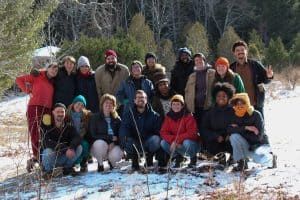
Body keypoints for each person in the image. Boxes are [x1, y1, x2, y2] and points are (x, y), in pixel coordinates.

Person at [15, 62, 58, 172]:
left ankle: (40, 158)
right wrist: (28, 90)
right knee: (35, 133)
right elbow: (19, 80)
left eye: (56, 70)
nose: (54, 71)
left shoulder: (52, 82)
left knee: (46, 133)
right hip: (34, 107)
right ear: (47, 69)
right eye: (52, 68)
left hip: (47, 110)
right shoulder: (37, 76)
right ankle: (38, 158)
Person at [228, 93, 276, 171]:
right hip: (246, 145)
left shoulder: (256, 114)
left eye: (243, 103)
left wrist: (239, 130)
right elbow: (229, 130)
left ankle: (271, 158)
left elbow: (258, 137)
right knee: (234, 136)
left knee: (262, 161)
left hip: (257, 145)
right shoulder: (234, 115)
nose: (240, 106)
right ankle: (241, 163)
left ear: (247, 102)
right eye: (237, 103)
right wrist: (247, 128)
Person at [119, 90, 165, 170]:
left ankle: (149, 157)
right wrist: (125, 139)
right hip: (134, 142)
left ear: (146, 100)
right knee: (128, 140)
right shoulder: (128, 114)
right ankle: (135, 160)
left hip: (148, 141)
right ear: (134, 100)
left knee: (156, 139)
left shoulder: (154, 115)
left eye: (143, 97)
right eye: (138, 97)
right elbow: (124, 128)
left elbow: (158, 131)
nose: (141, 99)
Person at [230, 40, 273, 117]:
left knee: (259, 128)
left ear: (246, 51)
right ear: (234, 53)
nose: (240, 52)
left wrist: (268, 77)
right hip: (238, 106)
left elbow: (266, 80)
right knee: (242, 128)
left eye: (242, 49)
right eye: (237, 50)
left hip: (256, 104)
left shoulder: (255, 65)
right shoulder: (231, 68)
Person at [40, 103, 82, 176]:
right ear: (53, 112)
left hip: (64, 156)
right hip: (53, 157)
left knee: (79, 148)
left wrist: (72, 148)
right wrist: (65, 149)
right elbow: (46, 142)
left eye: (62, 112)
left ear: (65, 113)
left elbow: (77, 137)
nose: (60, 114)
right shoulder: (47, 125)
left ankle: (67, 168)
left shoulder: (68, 125)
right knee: (47, 151)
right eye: (58, 112)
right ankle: (49, 171)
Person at [160, 94, 200, 167]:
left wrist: (177, 141)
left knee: (186, 142)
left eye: (178, 104)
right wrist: (173, 140)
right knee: (163, 142)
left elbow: (192, 133)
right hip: (176, 144)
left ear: (182, 105)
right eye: (173, 104)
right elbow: (163, 132)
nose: (175, 106)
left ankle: (193, 158)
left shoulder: (188, 116)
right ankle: (178, 157)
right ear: (171, 106)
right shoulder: (168, 117)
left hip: (192, 144)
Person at [88, 94, 124, 172]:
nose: (108, 105)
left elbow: (121, 134)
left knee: (118, 153)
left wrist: (115, 143)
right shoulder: (95, 117)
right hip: (99, 145)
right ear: (102, 104)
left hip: (113, 144)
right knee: (99, 144)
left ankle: (111, 162)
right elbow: (93, 135)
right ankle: (100, 164)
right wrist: (109, 138)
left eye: (111, 103)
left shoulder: (117, 119)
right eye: (106, 103)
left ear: (114, 106)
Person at [201, 82, 235, 157]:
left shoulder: (234, 111)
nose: (221, 98)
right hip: (215, 142)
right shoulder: (210, 112)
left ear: (228, 97)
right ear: (215, 98)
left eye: (224, 96)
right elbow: (204, 129)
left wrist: (230, 134)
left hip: (229, 142)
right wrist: (215, 136)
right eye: (218, 96)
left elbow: (237, 126)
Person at [185, 53, 215, 129]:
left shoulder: (212, 72)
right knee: (197, 127)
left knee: (207, 127)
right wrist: (188, 105)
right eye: (196, 60)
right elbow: (187, 91)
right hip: (195, 107)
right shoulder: (192, 76)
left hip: (208, 106)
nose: (198, 61)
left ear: (204, 61)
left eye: (200, 59)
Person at [65, 95, 91, 172]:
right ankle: (71, 164)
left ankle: (83, 162)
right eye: (78, 104)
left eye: (82, 105)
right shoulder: (67, 115)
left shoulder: (86, 116)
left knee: (85, 145)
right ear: (73, 104)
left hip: (81, 137)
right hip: (69, 138)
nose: (79, 106)